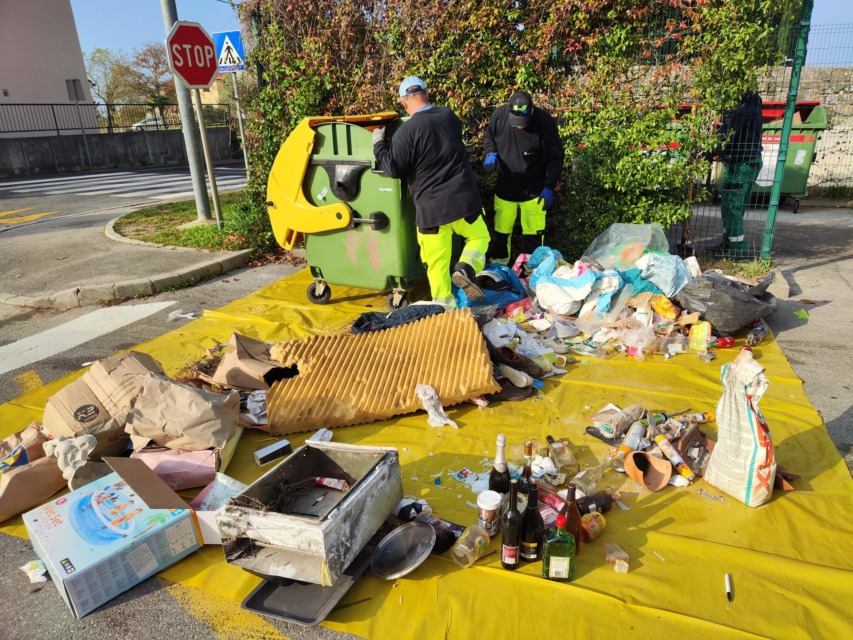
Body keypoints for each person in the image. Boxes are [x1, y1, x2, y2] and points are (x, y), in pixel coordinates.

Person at [372, 76, 490, 307]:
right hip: (464, 202)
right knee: (479, 237)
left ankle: (445, 312)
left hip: (431, 213)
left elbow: (393, 168)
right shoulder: (448, 116)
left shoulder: (406, 132)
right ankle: (466, 268)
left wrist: (379, 144)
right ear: (427, 93)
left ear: (404, 103)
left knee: (436, 266)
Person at [483, 91, 565, 265]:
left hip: (535, 190)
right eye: (516, 122)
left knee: (533, 236)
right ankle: (499, 269)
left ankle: (532, 270)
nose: (520, 126)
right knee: (501, 233)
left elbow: (556, 156)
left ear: (532, 110)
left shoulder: (544, 122)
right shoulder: (499, 115)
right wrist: (490, 152)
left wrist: (549, 186)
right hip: (506, 188)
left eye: (523, 123)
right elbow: (489, 136)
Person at [705, 91, 764, 258]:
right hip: (747, 161)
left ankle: (739, 250)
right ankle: (728, 243)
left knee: (732, 206)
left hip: (742, 164)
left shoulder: (740, 109)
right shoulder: (754, 104)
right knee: (731, 206)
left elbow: (726, 135)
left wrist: (708, 155)